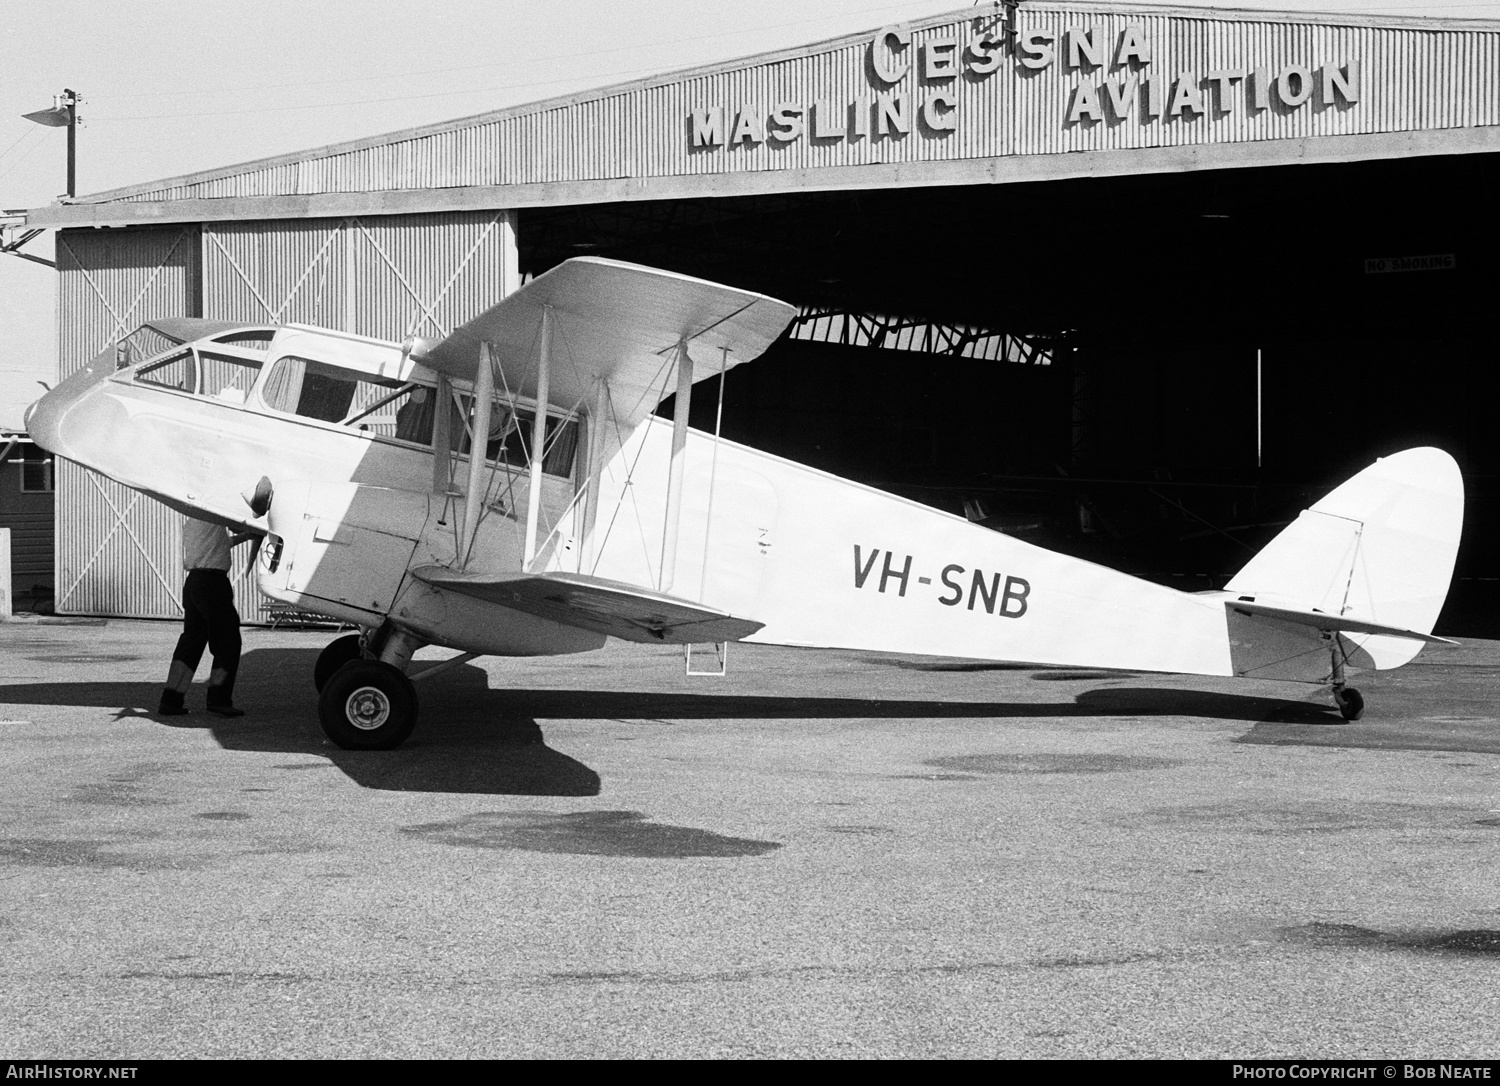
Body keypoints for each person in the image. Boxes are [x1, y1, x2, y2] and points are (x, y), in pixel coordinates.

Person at [157, 516, 256, 717]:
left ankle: (170, 701)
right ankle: (218, 699)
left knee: (191, 643)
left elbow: (222, 544)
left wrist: (247, 537)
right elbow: (236, 526)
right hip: (212, 583)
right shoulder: (212, 515)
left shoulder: (193, 523)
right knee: (228, 641)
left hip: (195, 583)